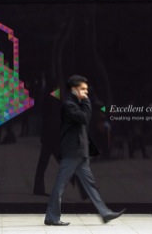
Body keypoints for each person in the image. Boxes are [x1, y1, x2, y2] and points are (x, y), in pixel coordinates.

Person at [44, 75, 125, 226]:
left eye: (86, 89)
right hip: (72, 151)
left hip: (80, 152)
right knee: (60, 185)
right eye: (83, 89)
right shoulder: (69, 105)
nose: (86, 92)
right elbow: (84, 118)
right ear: (74, 89)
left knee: (90, 185)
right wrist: (86, 101)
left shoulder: (76, 103)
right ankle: (51, 216)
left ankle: (104, 212)